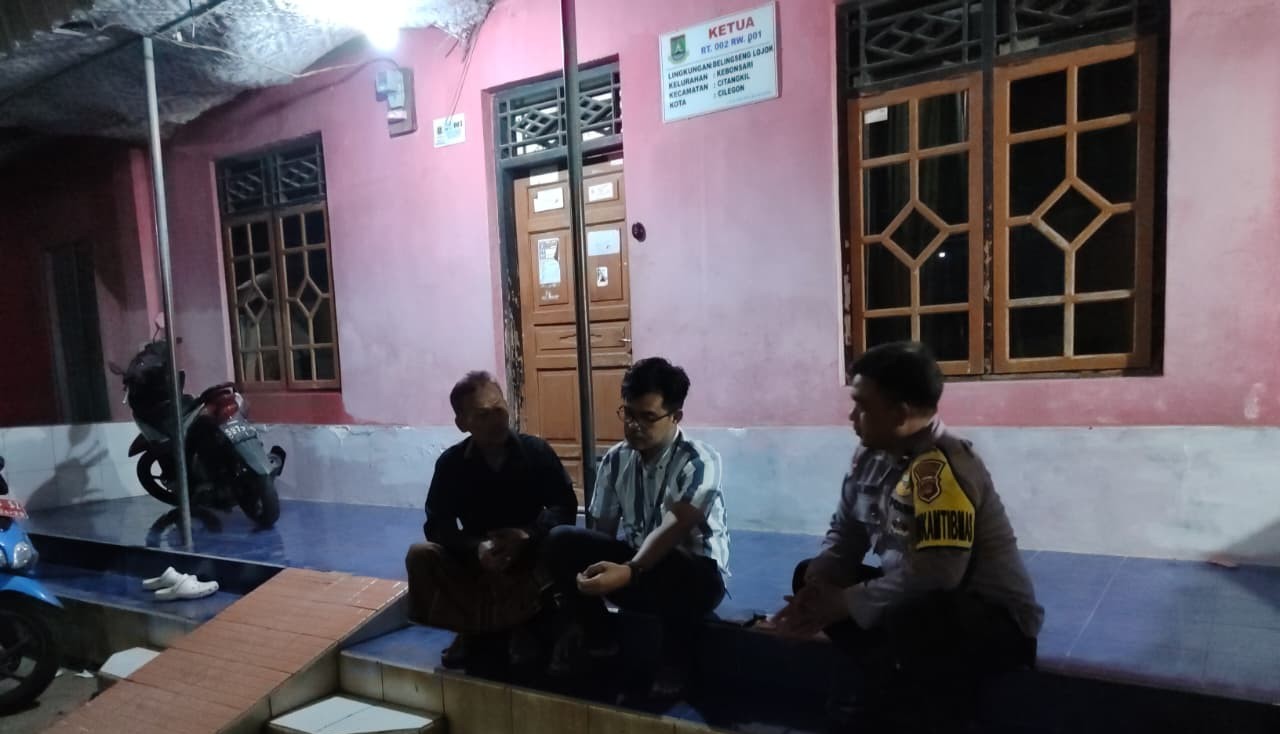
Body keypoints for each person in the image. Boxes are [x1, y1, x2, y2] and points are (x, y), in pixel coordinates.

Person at [772, 342, 1043, 729]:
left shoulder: (941, 467)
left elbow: (938, 574)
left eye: (862, 406)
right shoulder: (869, 457)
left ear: (899, 414)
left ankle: (929, 710)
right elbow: (844, 536)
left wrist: (845, 603)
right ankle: (881, 678)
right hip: (915, 597)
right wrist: (816, 590)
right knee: (810, 573)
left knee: (918, 616)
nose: (851, 416)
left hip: (986, 619)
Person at [543, 357, 729, 698]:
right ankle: (599, 638)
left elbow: (678, 525)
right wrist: (587, 577)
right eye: (628, 414)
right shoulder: (616, 459)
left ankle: (676, 659)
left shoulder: (699, 460)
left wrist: (630, 570)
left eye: (648, 417)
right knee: (561, 540)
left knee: (675, 559)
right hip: (636, 575)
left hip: (692, 582)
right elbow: (601, 532)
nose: (634, 425)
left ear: (675, 416)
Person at [405, 371, 578, 668]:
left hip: (529, 552)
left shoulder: (535, 452)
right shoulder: (451, 465)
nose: (496, 421)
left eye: (499, 410)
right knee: (420, 555)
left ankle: (520, 628)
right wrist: (476, 548)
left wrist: (527, 534)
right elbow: (437, 525)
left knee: (561, 546)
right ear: (462, 423)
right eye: (483, 415)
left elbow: (565, 506)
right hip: (478, 557)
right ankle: (470, 628)